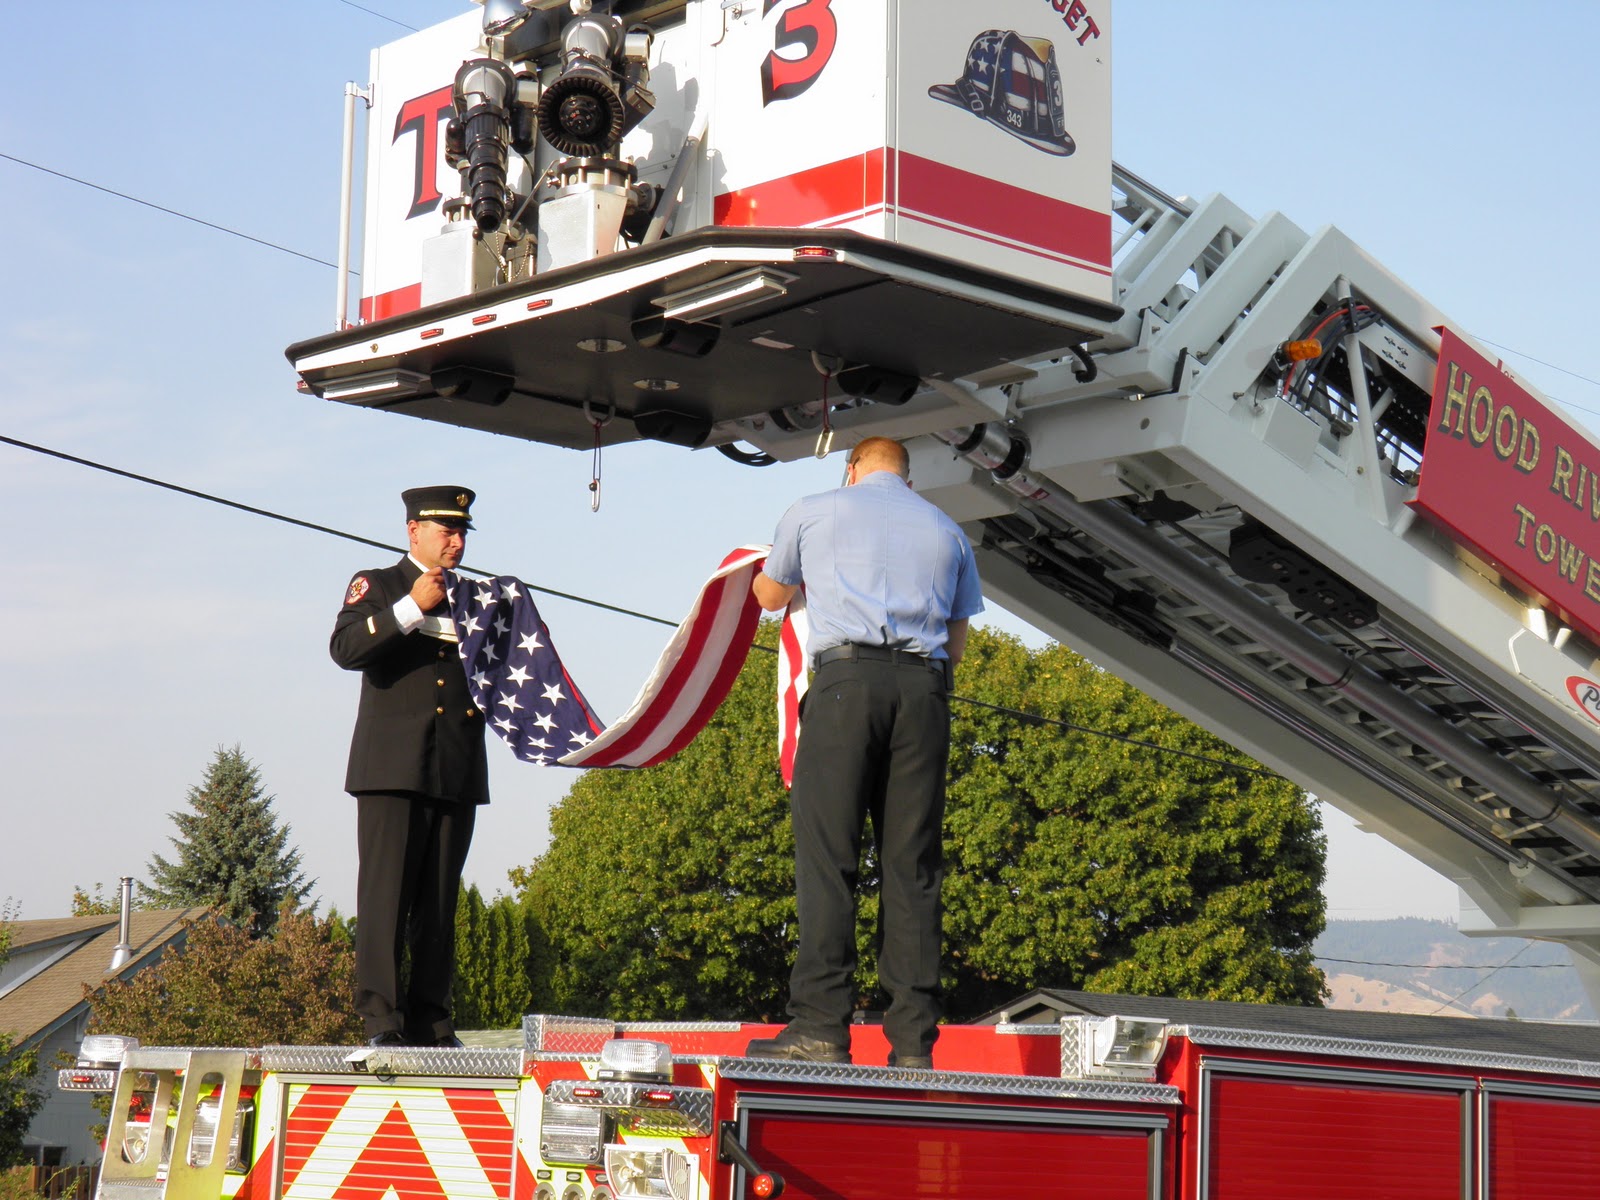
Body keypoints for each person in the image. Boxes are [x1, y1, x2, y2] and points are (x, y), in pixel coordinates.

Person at [745, 437, 983, 1069]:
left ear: (852, 469)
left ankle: (821, 1026)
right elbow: (955, 648)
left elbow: (769, 597)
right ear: (907, 476)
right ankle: (912, 1045)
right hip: (925, 692)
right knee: (913, 867)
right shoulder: (949, 533)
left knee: (830, 857)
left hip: (847, 686)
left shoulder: (814, 509)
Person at [330, 486, 487, 1048]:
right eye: (447, 530)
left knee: (440, 901)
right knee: (387, 896)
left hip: (456, 766)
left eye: (463, 531)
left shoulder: (475, 598)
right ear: (413, 530)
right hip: (391, 769)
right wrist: (411, 607)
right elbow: (346, 649)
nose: (458, 541)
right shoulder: (378, 583)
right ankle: (382, 1020)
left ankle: (431, 1018)